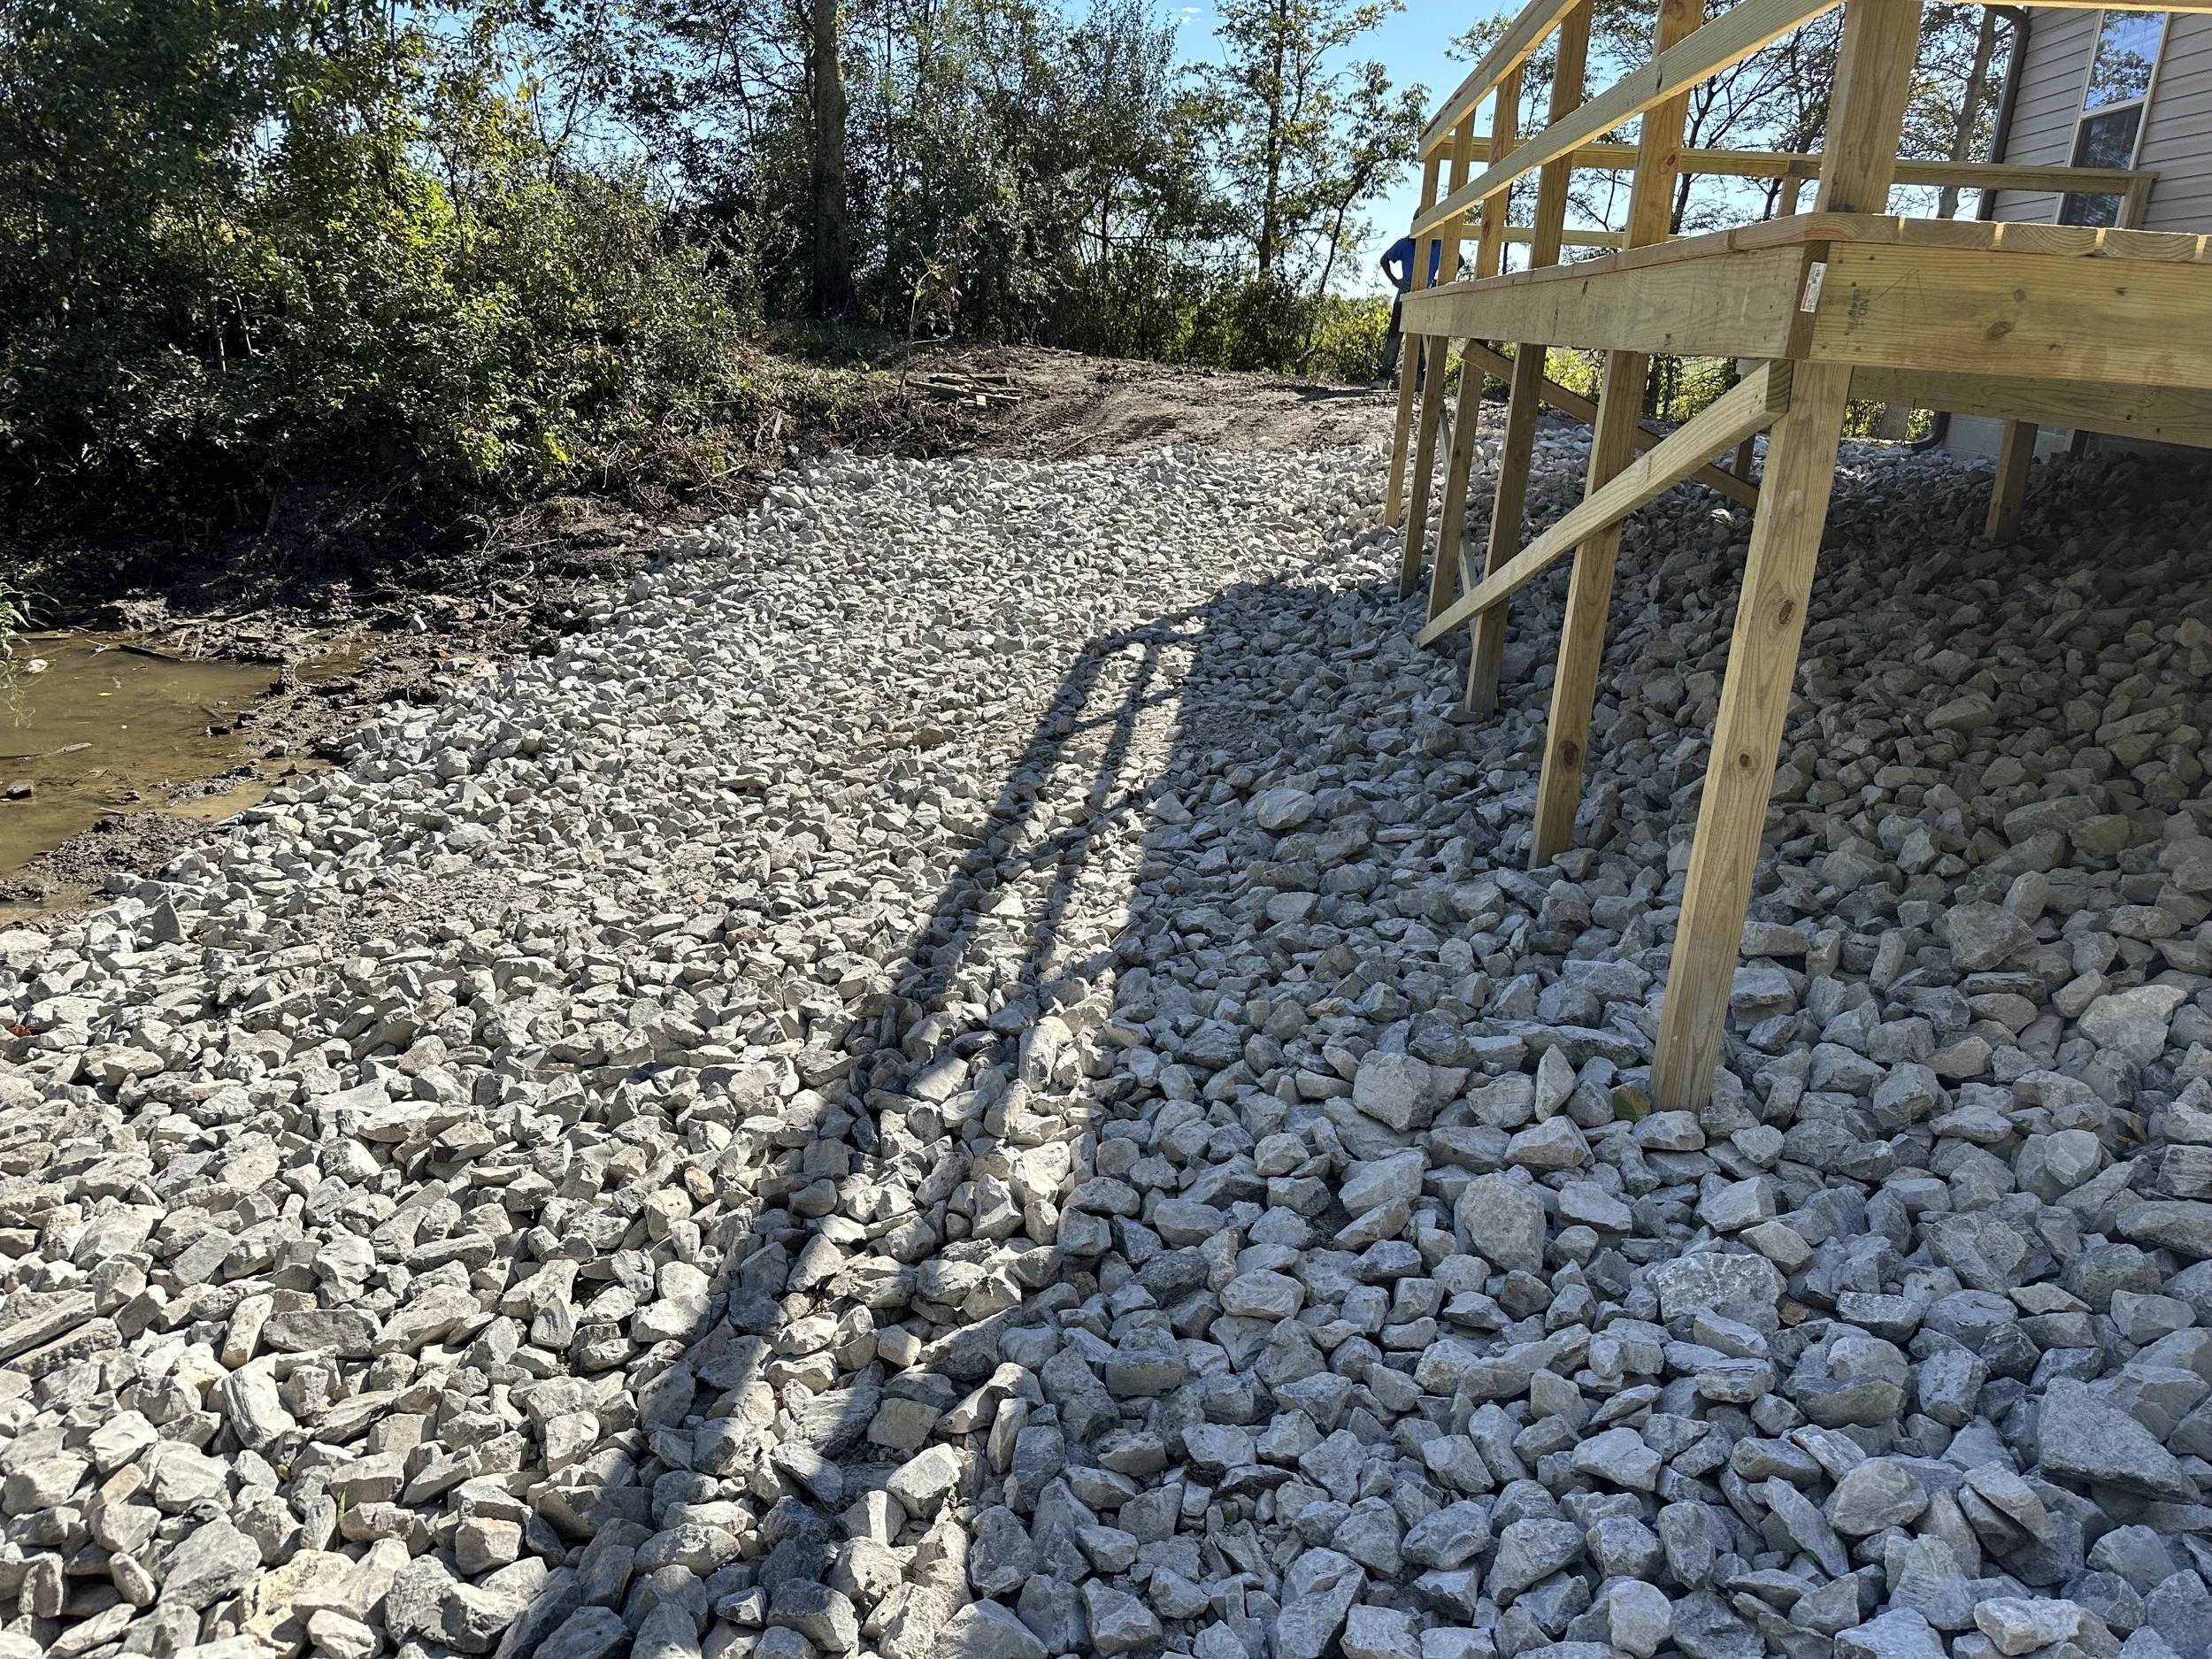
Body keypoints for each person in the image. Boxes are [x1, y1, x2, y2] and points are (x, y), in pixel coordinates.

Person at [1376, 234, 1449, 386]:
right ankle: (1383, 377)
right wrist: (1395, 281)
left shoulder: (1440, 245)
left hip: (1426, 300)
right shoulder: (1405, 243)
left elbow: (1458, 260)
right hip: (1403, 298)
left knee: (1423, 340)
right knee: (1394, 338)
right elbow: (1384, 259)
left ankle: (1418, 380)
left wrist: (1440, 281)